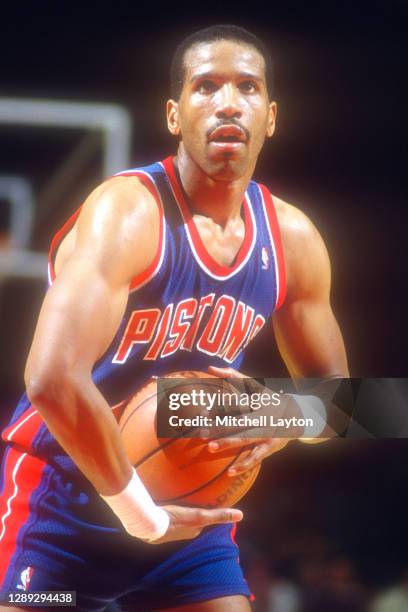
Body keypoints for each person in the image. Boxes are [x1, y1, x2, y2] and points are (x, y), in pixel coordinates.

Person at [0, 24, 348, 611]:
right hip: (62, 503)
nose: (228, 102)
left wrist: (274, 410)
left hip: (193, 520)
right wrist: (140, 513)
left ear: (270, 117)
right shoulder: (128, 214)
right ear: (173, 114)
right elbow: (51, 379)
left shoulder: (294, 240)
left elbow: (345, 404)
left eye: (248, 87)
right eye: (206, 86)